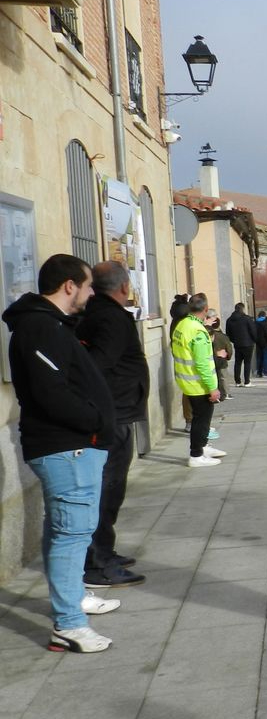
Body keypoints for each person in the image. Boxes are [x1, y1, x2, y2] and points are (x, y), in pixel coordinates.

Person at [3, 254, 118, 652]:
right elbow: (52, 394)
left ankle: (73, 598)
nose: (91, 294)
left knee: (64, 530)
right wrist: (96, 422)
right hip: (67, 448)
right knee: (72, 534)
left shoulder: (51, 324)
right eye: (87, 286)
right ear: (69, 285)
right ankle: (69, 625)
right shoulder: (39, 327)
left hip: (73, 446)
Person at [73, 260, 149, 590]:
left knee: (111, 487)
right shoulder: (111, 317)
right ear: (124, 286)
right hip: (112, 414)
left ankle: (104, 551)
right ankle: (97, 562)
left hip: (116, 411)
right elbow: (98, 365)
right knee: (108, 488)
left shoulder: (99, 313)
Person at [172, 294, 226, 468]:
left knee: (200, 417)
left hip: (186, 379)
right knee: (201, 419)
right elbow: (202, 363)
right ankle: (196, 454)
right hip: (198, 383)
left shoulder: (182, 324)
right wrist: (212, 388)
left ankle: (203, 447)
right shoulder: (198, 331)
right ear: (205, 309)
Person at [226, 302, 256, 387]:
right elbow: (253, 330)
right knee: (247, 363)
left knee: (238, 362)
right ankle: (247, 381)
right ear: (243, 309)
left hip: (237, 344)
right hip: (248, 343)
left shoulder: (229, 320)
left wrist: (234, 340)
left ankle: (237, 381)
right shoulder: (247, 319)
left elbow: (228, 333)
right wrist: (254, 340)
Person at [207, 310, 232, 404]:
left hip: (213, 360)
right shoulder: (221, 336)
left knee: (217, 377)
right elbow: (229, 349)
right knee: (223, 377)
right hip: (221, 360)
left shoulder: (208, 333)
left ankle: (219, 394)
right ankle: (225, 393)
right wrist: (227, 356)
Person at [254, 310, 267, 378]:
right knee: (266, 358)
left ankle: (259, 372)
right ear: (264, 315)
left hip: (258, 343)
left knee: (259, 358)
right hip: (266, 343)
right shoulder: (265, 323)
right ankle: (265, 372)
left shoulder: (255, 323)